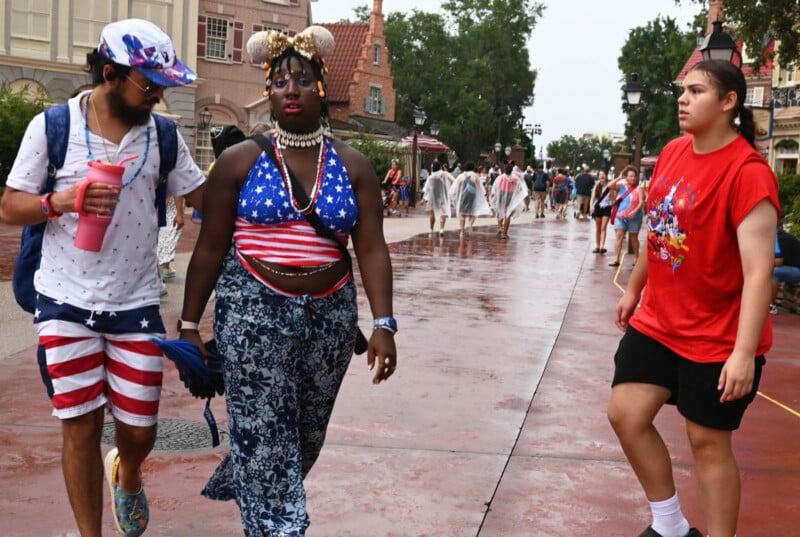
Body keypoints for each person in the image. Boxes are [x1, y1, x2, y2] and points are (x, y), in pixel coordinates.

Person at [179, 26, 396, 537]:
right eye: (279, 82)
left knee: (303, 436)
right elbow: (210, 247)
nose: (290, 89)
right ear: (268, 95)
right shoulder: (238, 161)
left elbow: (371, 246)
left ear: (320, 88)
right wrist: (189, 324)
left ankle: (252, 474)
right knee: (268, 433)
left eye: (301, 80)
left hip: (330, 318)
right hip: (253, 311)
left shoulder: (354, 165)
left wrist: (384, 323)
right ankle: (278, 525)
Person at [0, 19, 205, 537]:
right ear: (110, 74)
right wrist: (58, 201)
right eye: (149, 83)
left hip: (135, 302)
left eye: (163, 83)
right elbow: (10, 205)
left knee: (139, 430)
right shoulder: (52, 127)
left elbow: (204, 199)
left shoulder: (163, 134)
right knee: (81, 424)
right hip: (64, 300)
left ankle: (128, 469)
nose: (160, 94)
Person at [607, 59, 779, 537]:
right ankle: (670, 527)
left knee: (707, 441)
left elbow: (759, 271)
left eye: (697, 91)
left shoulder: (749, 173)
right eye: (683, 90)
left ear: (729, 102)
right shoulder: (673, 152)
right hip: (659, 322)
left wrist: (743, 354)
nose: (683, 99)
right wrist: (636, 289)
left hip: (719, 333)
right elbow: (660, 228)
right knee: (625, 413)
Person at [608, 165, 645, 267]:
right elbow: (610, 186)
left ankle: (637, 257)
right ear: (627, 177)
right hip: (620, 216)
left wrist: (635, 211)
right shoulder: (621, 186)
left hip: (634, 217)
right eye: (630, 176)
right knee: (619, 237)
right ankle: (616, 259)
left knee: (633, 238)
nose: (633, 178)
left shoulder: (639, 188)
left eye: (634, 176)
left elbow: (641, 202)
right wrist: (619, 178)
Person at [449, 161, 491, 236]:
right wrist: (483, 195)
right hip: (472, 197)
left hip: (462, 197)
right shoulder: (475, 176)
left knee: (462, 214)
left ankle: (462, 232)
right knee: (474, 213)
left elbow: (455, 187)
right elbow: (480, 188)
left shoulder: (460, 176)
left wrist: (454, 196)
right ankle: (469, 224)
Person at [156, 193, 185, 296]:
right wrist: (180, 213)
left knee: (164, 234)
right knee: (169, 233)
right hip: (171, 204)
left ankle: (165, 267)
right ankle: (161, 270)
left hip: (164, 203)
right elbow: (177, 191)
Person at [491, 162, 528, 239]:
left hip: (501, 194)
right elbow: (520, 188)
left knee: (500, 210)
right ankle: (504, 233)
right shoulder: (515, 178)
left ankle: (500, 227)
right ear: (512, 170)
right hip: (510, 195)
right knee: (508, 213)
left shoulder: (500, 177)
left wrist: (492, 195)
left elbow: (495, 187)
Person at [770, 224, 800, 313]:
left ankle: (772, 306)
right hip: (790, 269)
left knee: (775, 272)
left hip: (797, 271)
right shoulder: (777, 238)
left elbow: (779, 262)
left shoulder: (782, 239)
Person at [420, 160, 451, 236]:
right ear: (440, 167)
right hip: (443, 196)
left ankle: (431, 229)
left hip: (433, 197)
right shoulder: (444, 174)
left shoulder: (431, 177)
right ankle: (441, 229)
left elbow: (427, 189)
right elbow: (453, 180)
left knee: (433, 214)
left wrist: (424, 199)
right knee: (443, 213)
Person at [589, 170, 614, 253]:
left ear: (606, 176)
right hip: (598, 208)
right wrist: (591, 206)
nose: (601, 176)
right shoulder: (596, 186)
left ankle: (602, 247)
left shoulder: (609, 186)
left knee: (603, 228)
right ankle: (597, 246)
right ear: (598, 176)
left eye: (603, 174)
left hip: (606, 208)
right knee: (598, 228)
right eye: (600, 175)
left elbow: (613, 198)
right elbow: (592, 197)